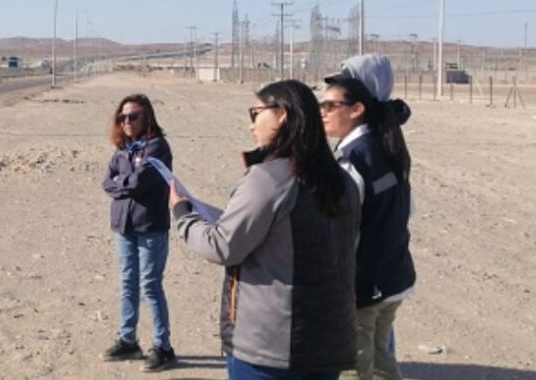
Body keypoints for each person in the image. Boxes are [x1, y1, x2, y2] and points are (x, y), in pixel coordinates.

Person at [171, 80, 360, 379]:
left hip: (272, 349)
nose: (251, 126)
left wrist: (183, 213)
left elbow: (222, 246)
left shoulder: (269, 179)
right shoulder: (342, 181)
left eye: (255, 114)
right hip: (327, 342)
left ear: (282, 114)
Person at [322, 55, 415, 380]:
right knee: (381, 361)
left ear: (357, 107)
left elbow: (338, 230)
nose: (323, 113)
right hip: (392, 277)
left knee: (354, 368)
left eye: (331, 105)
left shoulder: (354, 159)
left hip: (364, 286)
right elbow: (402, 210)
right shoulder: (387, 144)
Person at [100, 93, 177, 372]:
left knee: (150, 285)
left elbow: (138, 183)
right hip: (124, 227)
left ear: (147, 118)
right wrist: (124, 182)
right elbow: (107, 182)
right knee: (127, 283)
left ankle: (163, 347)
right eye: (122, 117)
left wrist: (123, 182)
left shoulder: (158, 148)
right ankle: (128, 340)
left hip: (150, 228)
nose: (127, 122)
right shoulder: (123, 149)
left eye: (133, 116)